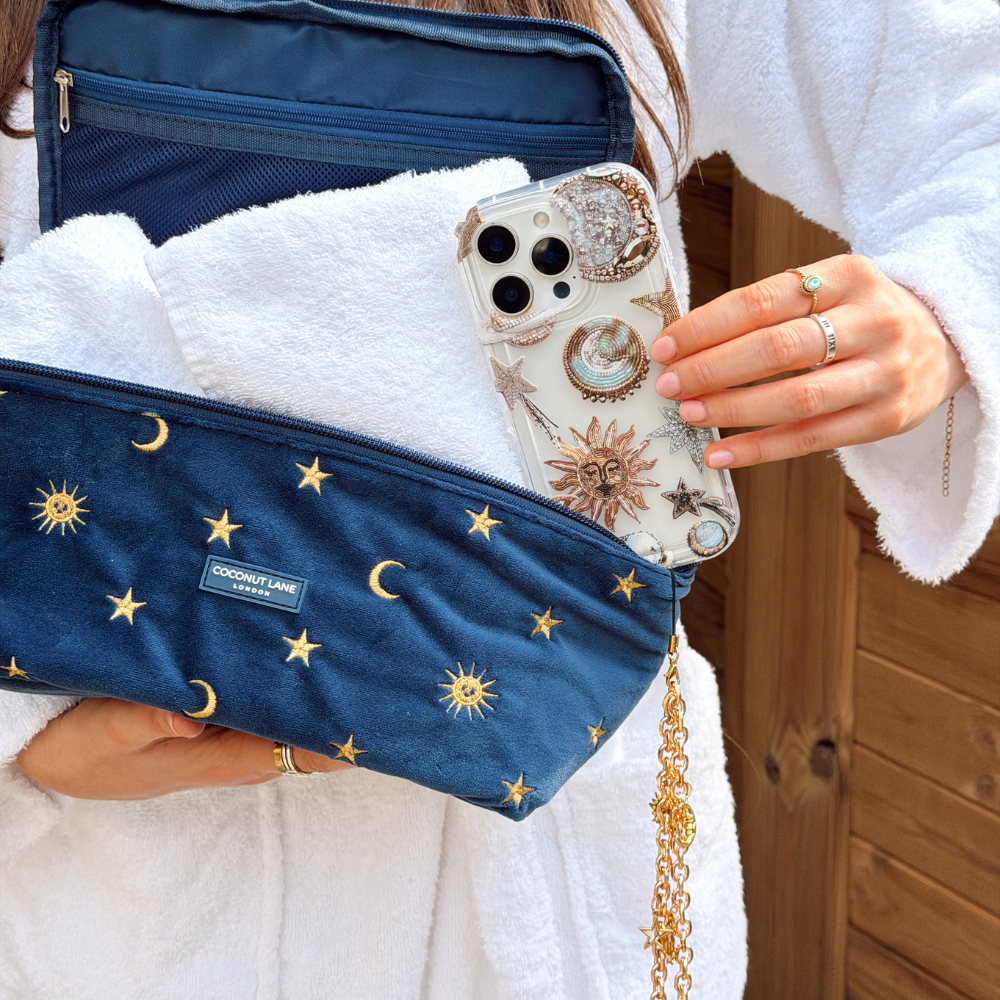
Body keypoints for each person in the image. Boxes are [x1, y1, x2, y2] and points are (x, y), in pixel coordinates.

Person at [1, 0, 997, 996]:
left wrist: (944, 308)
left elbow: (967, 95)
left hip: (541, 863)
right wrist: (25, 751)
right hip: (111, 892)